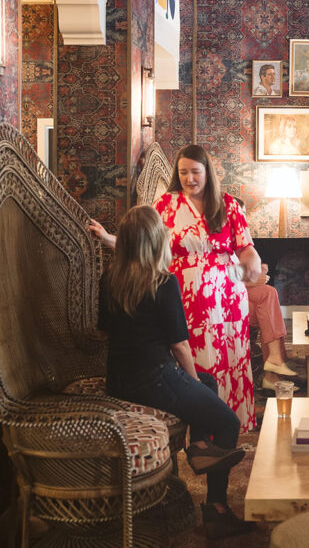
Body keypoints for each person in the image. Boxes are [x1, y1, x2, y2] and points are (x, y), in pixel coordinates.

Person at [99, 205, 253, 539]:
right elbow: (181, 347)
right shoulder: (162, 281)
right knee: (227, 421)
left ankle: (198, 445)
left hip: (119, 380)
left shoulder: (109, 279)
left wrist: (198, 385)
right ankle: (216, 509)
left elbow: (105, 333)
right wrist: (191, 384)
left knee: (209, 382)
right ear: (155, 242)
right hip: (154, 377)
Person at [90, 144, 261, 430]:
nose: (189, 178)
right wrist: (110, 238)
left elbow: (245, 247)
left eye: (195, 172)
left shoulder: (228, 205)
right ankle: (197, 427)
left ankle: (227, 425)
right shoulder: (165, 205)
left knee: (227, 358)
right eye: (183, 172)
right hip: (184, 294)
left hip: (226, 298)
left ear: (208, 172)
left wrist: (252, 259)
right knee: (189, 354)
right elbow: (142, 241)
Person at [234, 199, 298, 387]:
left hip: (243, 299)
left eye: (244, 214)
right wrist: (250, 281)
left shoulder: (241, 239)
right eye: (238, 213)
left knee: (267, 308)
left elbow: (238, 270)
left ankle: (273, 369)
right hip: (228, 302)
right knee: (268, 296)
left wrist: (257, 272)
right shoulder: (221, 239)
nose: (242, 218)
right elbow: (220, 280)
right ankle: (273, 371)